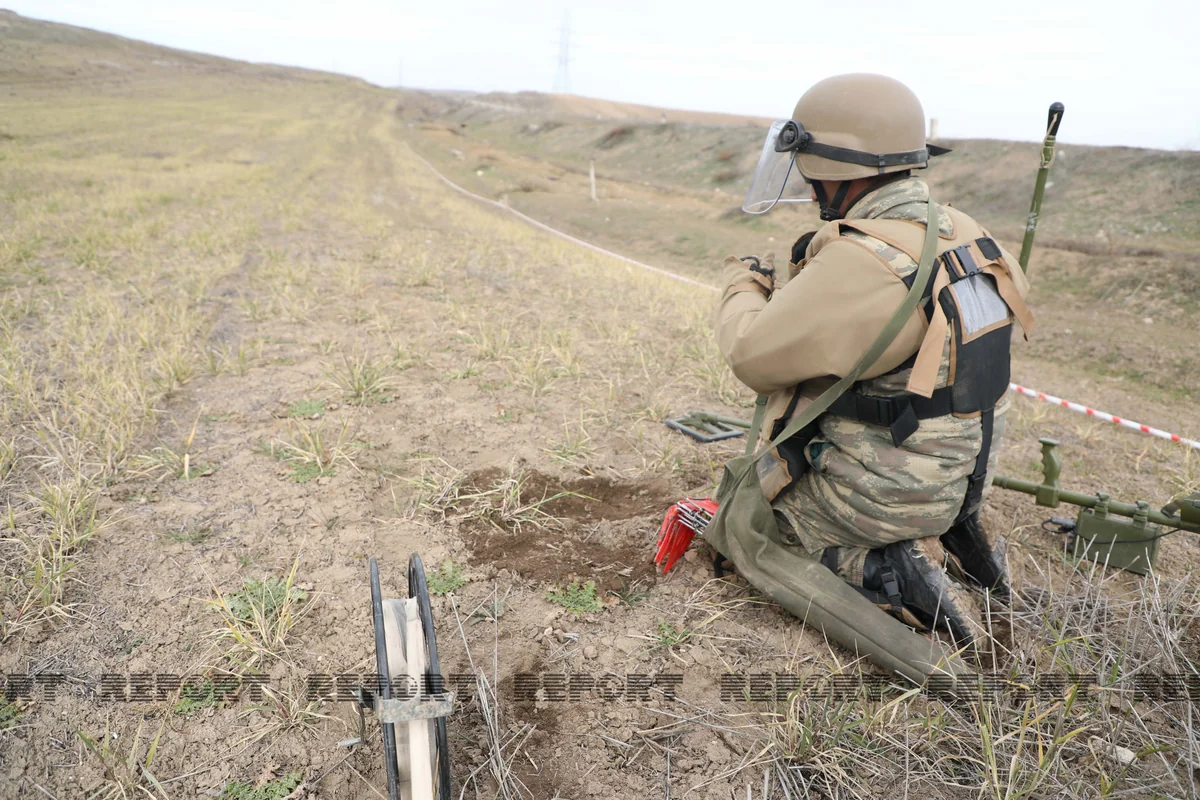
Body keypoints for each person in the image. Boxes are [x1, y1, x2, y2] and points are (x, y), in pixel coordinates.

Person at [714, 73, 1034, 648]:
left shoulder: (868, 259)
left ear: (835, 168)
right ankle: (952, 539)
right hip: (963, 479)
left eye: (811, 171)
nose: (809, 185)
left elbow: (751, 358)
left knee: (745, 526)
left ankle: (881, 569)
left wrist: (744, 285)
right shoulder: (968, 233)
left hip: (887, 499)